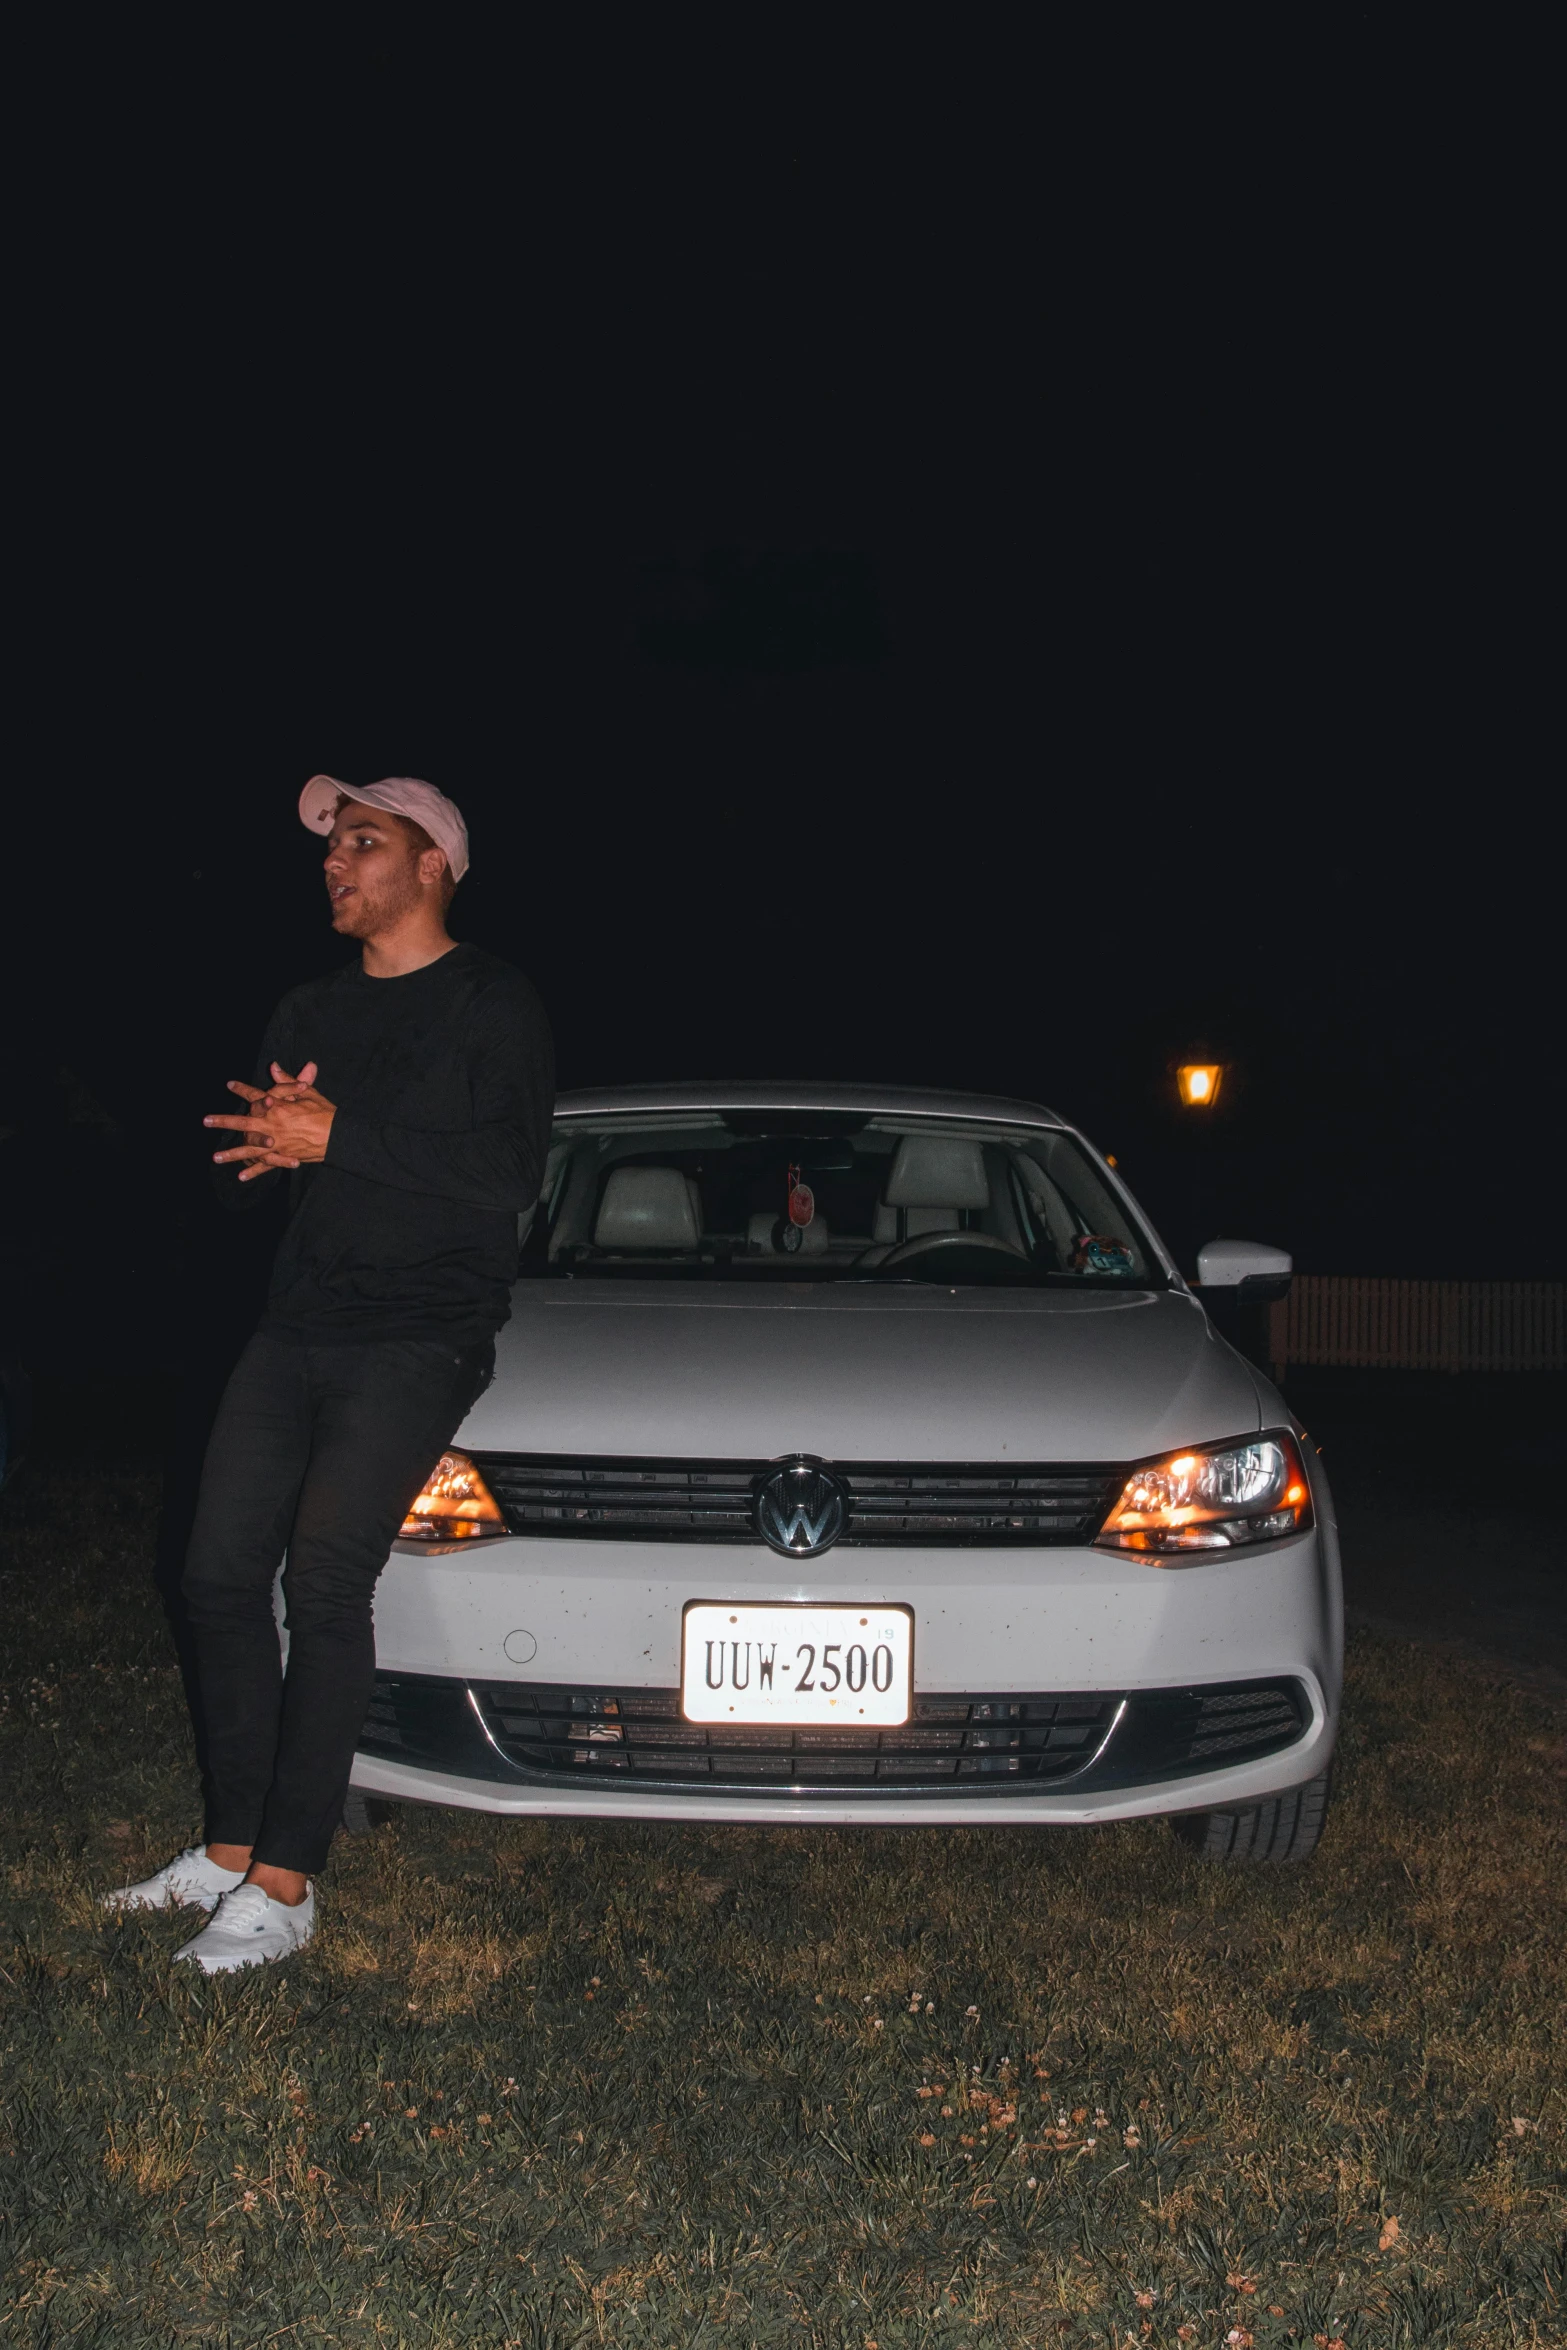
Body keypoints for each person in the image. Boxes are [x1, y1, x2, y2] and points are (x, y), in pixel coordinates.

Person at [106, 776, 553, 1971]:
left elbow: (510, 1172)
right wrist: (258, 1152)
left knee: (326, 1576)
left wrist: (337, 1134)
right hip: (300, 1319)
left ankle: (289, 1882)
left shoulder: (491, 1004)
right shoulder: (306, 1005)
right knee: (213, 1573)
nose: (335, 863)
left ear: (434, 864)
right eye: (330, 847)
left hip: (423, 1331)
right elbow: (259, 1169)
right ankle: (229, 1845)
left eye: (365, 842)